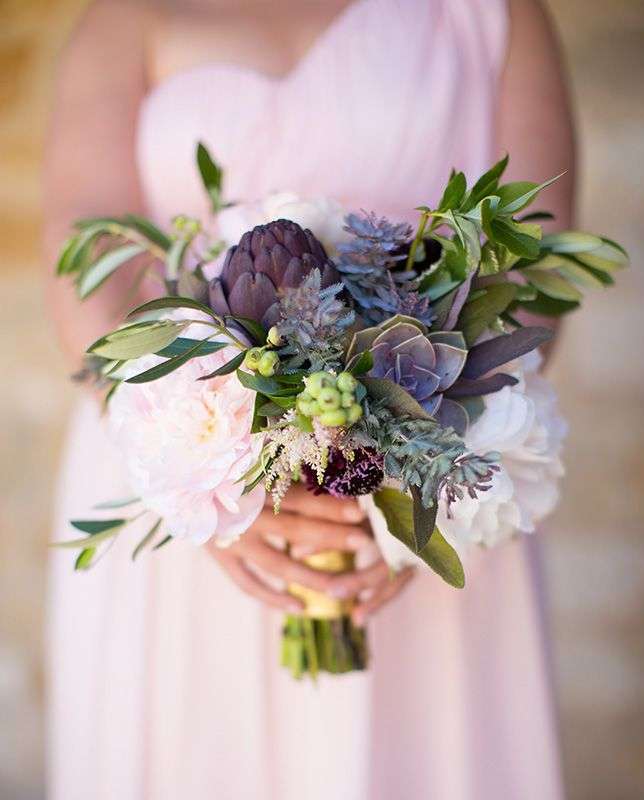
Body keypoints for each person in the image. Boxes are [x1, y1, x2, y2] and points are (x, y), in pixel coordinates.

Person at [44, 1, 574, 797]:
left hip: (433, 476)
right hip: (184, 473)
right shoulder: (123, 15)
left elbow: (536, 263)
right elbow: (83, 245)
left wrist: (412, 488)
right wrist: (201, 481)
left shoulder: (494, 15)